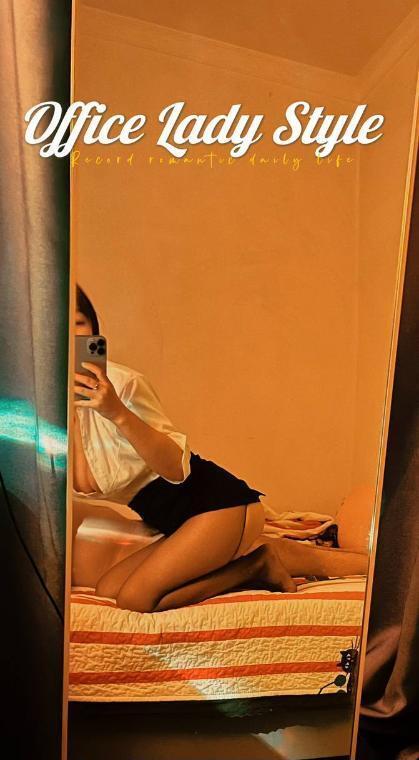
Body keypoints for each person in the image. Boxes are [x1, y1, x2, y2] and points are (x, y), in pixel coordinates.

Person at [73, 286, 367, 613]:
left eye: (78, 323)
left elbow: (176, 468)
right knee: (108, 589)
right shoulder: (45, 411)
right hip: (176, 524)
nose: (70, 335)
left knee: (135, 599)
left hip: (215, 507)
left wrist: (116, 412)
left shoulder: (123, 385)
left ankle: (255, 567)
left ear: (94, 327)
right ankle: (260, 557)